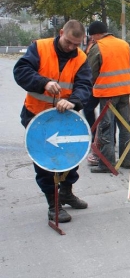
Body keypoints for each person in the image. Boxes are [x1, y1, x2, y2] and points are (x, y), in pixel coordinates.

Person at [13, 19, 92, 223]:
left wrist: (73, 101)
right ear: (61, 33)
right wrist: (44, 83)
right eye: (69, 42)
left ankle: (66, 192)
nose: (72, 47)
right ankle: (53, 203)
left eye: (77, 44)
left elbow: (84, 86)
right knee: (45, 162)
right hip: (36, 116)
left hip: (65, 119)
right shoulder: (39, 48)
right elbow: (21, 72)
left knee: (71, 157)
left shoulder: (81, 58)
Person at [87, 21, 130, 173]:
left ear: (96, 34)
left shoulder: (98, 47)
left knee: (106, 128)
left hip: (107, 94)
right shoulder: (123, 44)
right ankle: (127, 161)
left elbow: (90, 72)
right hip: (125, 92)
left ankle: (107, 164)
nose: (92, 40)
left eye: (92, 37)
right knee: (125, 126)